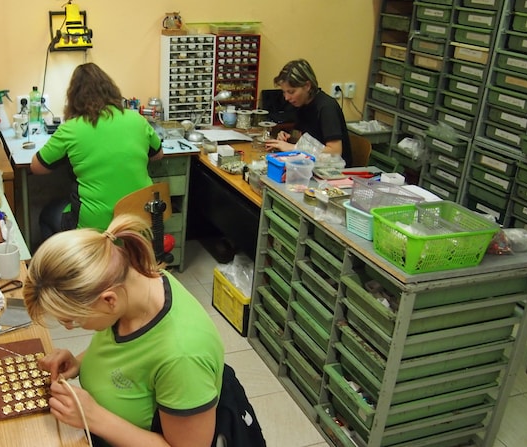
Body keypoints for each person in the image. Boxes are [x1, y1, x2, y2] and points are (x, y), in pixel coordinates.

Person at [22, 214, 224, 447]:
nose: (69, 328)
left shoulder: (183, 356)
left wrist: (93, 417)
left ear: (109, 300)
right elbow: (129, 351)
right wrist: (80, 363)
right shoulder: (135, 286)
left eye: (73, 320)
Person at [31, 63, 164, 241]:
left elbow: (37, 167)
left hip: (96, 229)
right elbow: (158, 155)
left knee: (48, 213)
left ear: (74, 97)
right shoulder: (137, 119)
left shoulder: (71, 129)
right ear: (111, 90)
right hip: (140, 220)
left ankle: (69, 264)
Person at [264, 59, 352, 167]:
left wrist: (293, 148)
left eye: (291, 92)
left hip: (335, 172)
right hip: (310, 166)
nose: (286, 98)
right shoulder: (301, 104)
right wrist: (286, 137)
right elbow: (303, 137)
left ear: (307, 86)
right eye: (284, 92)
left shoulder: (326, 108)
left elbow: (335, 152)